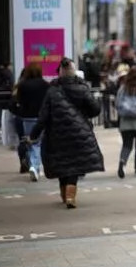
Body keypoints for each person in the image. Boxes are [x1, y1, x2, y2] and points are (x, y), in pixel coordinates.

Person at [28, 58, 104, 208]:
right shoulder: (82, 88)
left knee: (62, 162)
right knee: (75, 164)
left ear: (60, 73)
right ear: (73, 72)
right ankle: (70, 196)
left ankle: (64, 193)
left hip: (56, 134)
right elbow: (95, 109)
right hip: (79, 133)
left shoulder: (52, 91)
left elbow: (43, 117)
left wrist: (33, 135)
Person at [14, 63, 50, 181]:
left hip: (27, 117)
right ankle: (35, 166)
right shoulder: (45, 85)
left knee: (30, 142)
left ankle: (33, 165)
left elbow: (18, 101)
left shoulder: (22, 85)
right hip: (41, 117)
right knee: (38, 142)